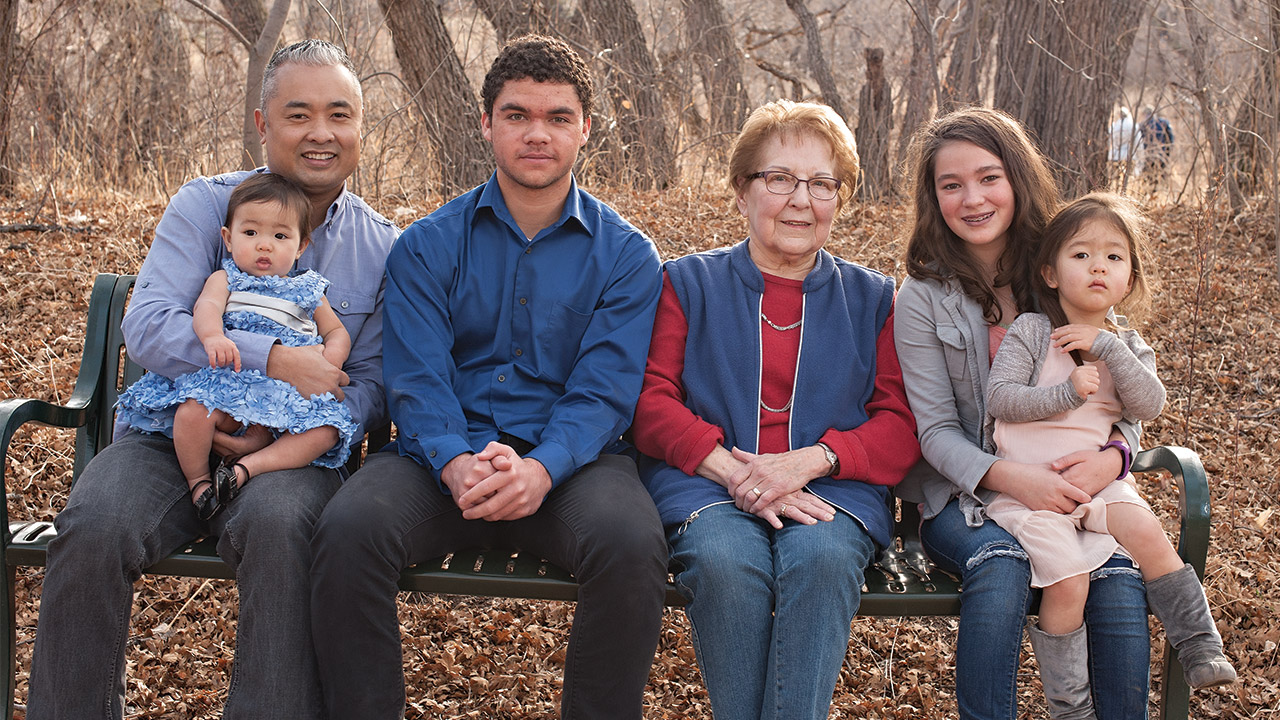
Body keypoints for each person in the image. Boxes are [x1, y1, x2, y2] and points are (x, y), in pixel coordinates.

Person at [27, 40, 399, 720]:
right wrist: (274, 361)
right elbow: (149, 325)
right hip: (172, 429)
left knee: (284, 527)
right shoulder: (208, 207)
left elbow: (373, 383)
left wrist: (295, 425)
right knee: (95, 521)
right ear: (263, 124)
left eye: (338, 114)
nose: (321, 133)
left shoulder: (382, 246)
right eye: (298, 114)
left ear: (359, 128)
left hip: (292, 456)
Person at [309, 34, 667, 719]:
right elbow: (416, 377)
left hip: (575, 468)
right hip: (438, 462)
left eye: (558, 117)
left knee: (630, 544)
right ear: (486, 124)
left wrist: (541, 469)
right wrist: (455, 463)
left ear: (585, 129)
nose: (538, 134)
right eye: (517, 115)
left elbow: (605, 390)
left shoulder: (626, 257)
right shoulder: (427, 245)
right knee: (349, 528)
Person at [632, 99, 920, 720]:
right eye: (780, 179)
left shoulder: (873, 299)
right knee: (725, 563)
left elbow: (898, 425)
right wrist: (742, 474)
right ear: (742, 191)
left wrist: (809, 462)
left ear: (839, 200)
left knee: (820, 561)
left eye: (822, 184)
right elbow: (652, 403)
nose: (801, 199)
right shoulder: (686, 283)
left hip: (831, 491)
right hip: (705, 485)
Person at [893, 106, 1153, 720]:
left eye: (989, 177)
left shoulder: (1064, 271)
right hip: (966, 497)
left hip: (1076, 487)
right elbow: (934, 431)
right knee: (1001, 566)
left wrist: (1113, 456)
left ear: (1017, 179)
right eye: (950, 185)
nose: (972, 198)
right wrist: (1013, 478)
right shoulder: (924, 299)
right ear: (934, 199)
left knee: (1117, 581)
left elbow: (1123, 392)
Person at [985, 192, 1236, 717]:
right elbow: (999, 398)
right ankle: (1069, 705)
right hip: (1032, 490)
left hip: (1102, 483)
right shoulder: (1032, 331)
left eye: (1114, 257)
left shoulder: (1127, 344)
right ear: (1050, 273)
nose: (1098, 266)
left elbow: (1150, 404)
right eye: (1081, 255)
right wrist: (1066, 393)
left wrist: (1109, 348)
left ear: (1129, 279)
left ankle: (1198, 644)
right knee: (1069, 583)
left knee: (1148, 533)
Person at [115, 173, 359, 520]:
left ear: (300, 246)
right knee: (192, 412)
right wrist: (214, 337)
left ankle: (248, 468)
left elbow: (337, 332)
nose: (264, 245)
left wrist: (328, 365)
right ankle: (199, 481)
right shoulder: (226, 278)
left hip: (286, 394)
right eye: (250, 233)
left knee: (325, 432)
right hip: (232, 382)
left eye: (279, 236)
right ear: (228, 239)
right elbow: (206, 310)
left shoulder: (308, 290)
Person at [1138, 106, 1174, 184]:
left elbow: (1139, 142)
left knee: (1148, 179)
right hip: (1161, 154)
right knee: (1161, 177)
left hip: (1147, 156)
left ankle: (1149, 192)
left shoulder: (1142, 125)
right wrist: (1167, 153)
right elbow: (1171, 140)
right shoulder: (1164, 123)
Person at [1108, 107, 1143, 185]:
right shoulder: (1133, 125)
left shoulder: (1114, 126)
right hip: (1128, 157)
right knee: (1127, 180)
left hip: (1114, 157)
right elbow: (1139, 143)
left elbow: (1109, 141)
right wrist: (1140, 158)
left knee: (1114, 180)